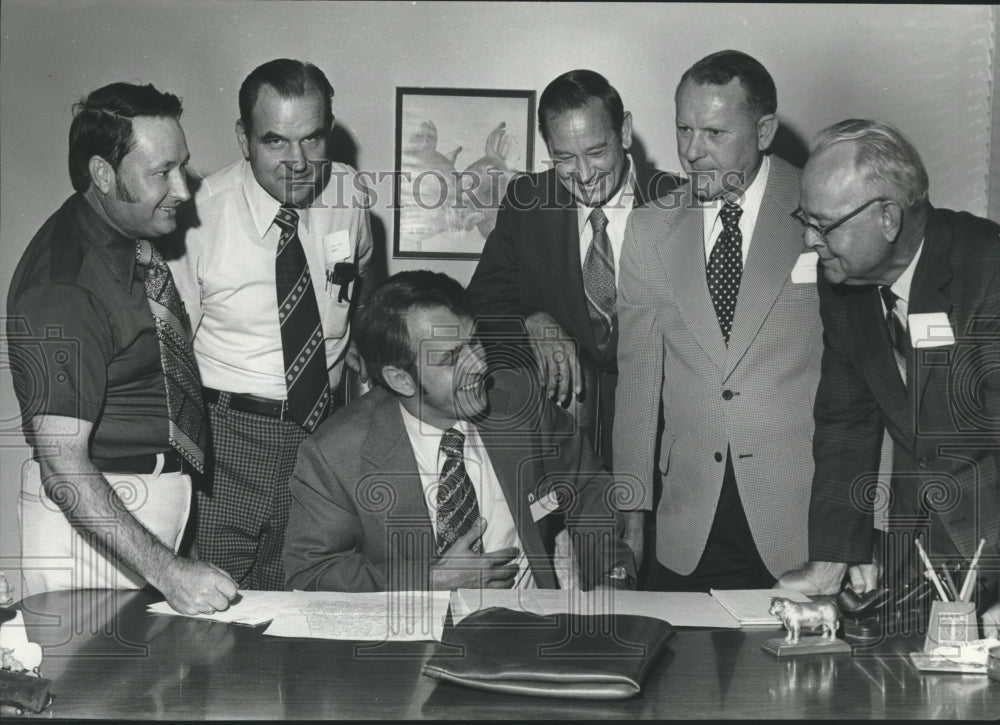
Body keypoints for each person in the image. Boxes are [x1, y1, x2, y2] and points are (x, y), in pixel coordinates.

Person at [7, 82, 237, 614]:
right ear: (103, 174)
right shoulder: (64, 288)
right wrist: (169, 571)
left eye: (183, 166)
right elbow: (63, 465)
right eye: (162, 172)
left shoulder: (127, 241)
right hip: (92, 530)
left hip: (139, 511)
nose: (183, 190)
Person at [777, 120, 1000, 635]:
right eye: (805, 220)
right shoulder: (843, 281)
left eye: (824, 224)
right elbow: (844, 424)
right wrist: (832, 557)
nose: (810, 240)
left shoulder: (989, 270)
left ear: (888, 218)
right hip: (917, 557)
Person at [283, 271, 636, 592]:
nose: (479, 365)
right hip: (412, 632)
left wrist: (611, 575)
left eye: (474, 341)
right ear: (400, 379)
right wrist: (430, 579)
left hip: (528, 622)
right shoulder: (335, 455)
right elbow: (310, 573)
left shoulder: (517, 401)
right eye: (452, 359)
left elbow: (588, 486)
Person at [614, 50, 823, 591]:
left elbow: (867, 377)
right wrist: (632, 515)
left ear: (764, 131)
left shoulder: (822, 207)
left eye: (713, 133)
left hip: (803, 516)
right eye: (683, 129)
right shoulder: (648, 230)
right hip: (690, 518)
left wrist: (872, 522)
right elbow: (637, 384)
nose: (691, 152)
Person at [168, 59, 373, 590]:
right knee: (222, 606)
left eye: (312, 139)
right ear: (244, 138)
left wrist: (357, 342)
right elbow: (169, 354)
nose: (298, 162)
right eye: (276, 141)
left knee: (310, 597)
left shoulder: (349, 193)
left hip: (325, 436)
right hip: (229, 441)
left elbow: (360, 280)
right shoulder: (196, 216)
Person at [467, 69, 681, 561]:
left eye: (597, 151)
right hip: (562, 445)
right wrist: (531, 322)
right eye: (564, 158)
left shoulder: (681, 202)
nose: (583, 175)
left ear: (625, 132)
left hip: (665, 445)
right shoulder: (527, 201)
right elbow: (480, 307)